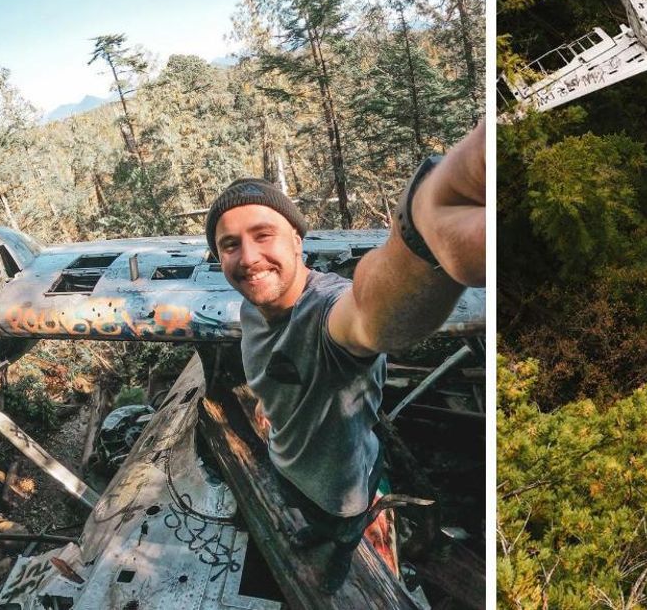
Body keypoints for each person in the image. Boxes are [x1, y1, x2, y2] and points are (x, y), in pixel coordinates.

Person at [204, 122, 485, 592]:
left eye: (263, 234)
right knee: (307, 516)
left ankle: (335, 569)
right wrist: (269, 404)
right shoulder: (251, 307)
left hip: (345, 492)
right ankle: (317, 533)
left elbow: (371, 316)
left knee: (341, 536)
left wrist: (420, 237)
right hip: (288, 468)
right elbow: (274, 367)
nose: (248, 257)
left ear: (297, 238)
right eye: (230, 244)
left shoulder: (325, 310)